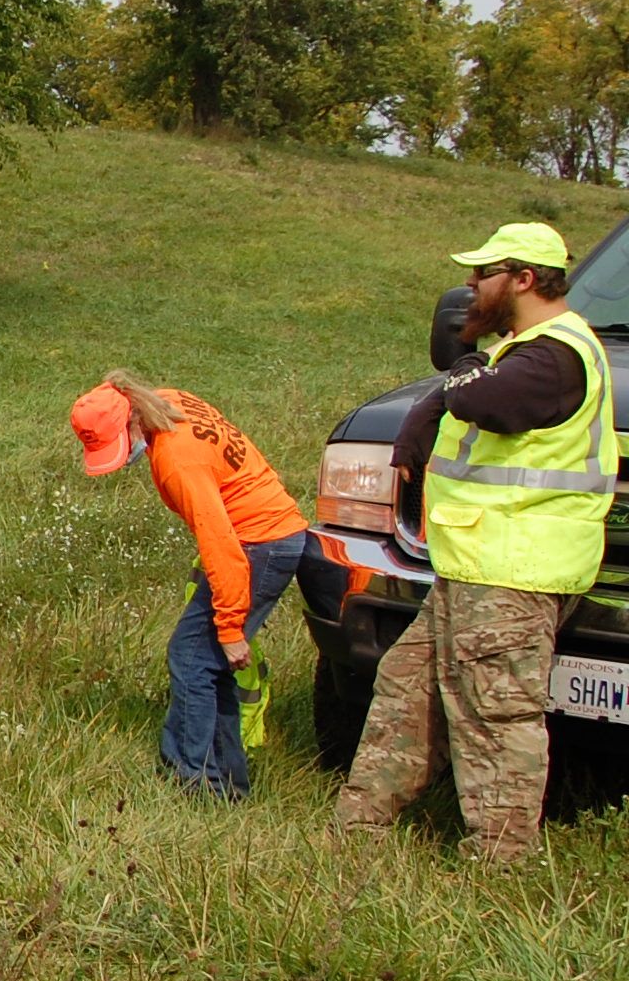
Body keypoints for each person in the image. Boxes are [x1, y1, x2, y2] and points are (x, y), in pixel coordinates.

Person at [335, 223, 619, 858]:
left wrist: (448, 387)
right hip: (474, 566)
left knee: (495, 717)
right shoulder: (524, 348)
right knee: (406, 691)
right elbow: (470, 391)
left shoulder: (555, 356)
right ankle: (357, 832)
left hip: (513, 573)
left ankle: (500, 860)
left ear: (523, 279)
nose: (469, 286)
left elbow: (485, 402)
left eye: (482, 274)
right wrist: (431, 406)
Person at [70, 373, 308, 798]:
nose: (121, 460)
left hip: (258, 545)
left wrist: (232, 627)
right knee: (206, 664)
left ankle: (192, 779)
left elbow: (220, 540)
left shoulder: (178, 460)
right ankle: (227, 784)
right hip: (272, 535)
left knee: (192, 658)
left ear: (132, 422)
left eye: (117, 445)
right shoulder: (168, 402)